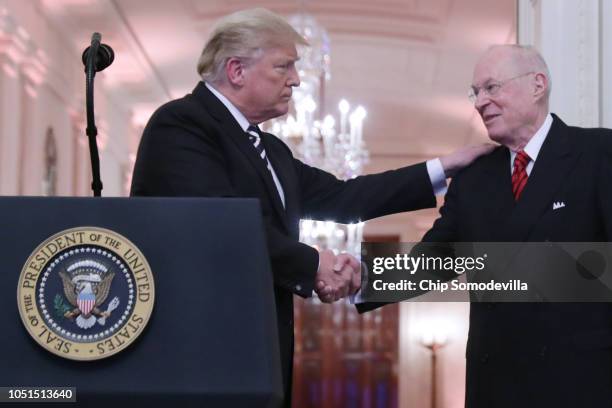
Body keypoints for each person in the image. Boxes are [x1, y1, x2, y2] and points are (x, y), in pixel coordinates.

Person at [130, 8, 492, 406]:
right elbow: (217, 227)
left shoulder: (271, 150)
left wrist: (446, 166)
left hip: (259, 357)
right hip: (198, 356)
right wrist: (313, 264)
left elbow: (343, 197)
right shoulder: (181, 125)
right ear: (236, 70)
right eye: (283, 67)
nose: (296, 80)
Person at [362, 44, 612, 407]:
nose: (480, 102)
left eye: (491, 88)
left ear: (537, 85)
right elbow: (434, 261)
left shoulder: (599, 154)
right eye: (475, 92)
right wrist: (356, 278)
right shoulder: (474, 178)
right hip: (494, 384)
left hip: (579, 381)